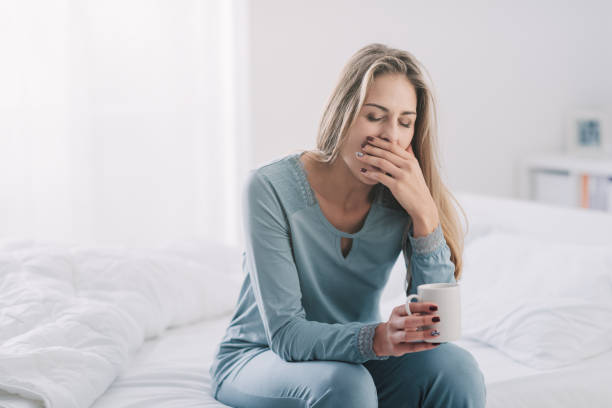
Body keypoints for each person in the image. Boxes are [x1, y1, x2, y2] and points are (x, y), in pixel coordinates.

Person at [209, 43, 486, 408]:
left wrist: (425, 214)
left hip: (355, 359)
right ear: (343, 114)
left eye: (405, 122)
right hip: (261, 356)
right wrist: (378, 338)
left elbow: (439, 330)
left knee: (457, 367)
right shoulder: (268, 187)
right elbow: (287, 335)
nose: (390, 135)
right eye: (374, 116)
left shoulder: (401, 197)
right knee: (346, 385)